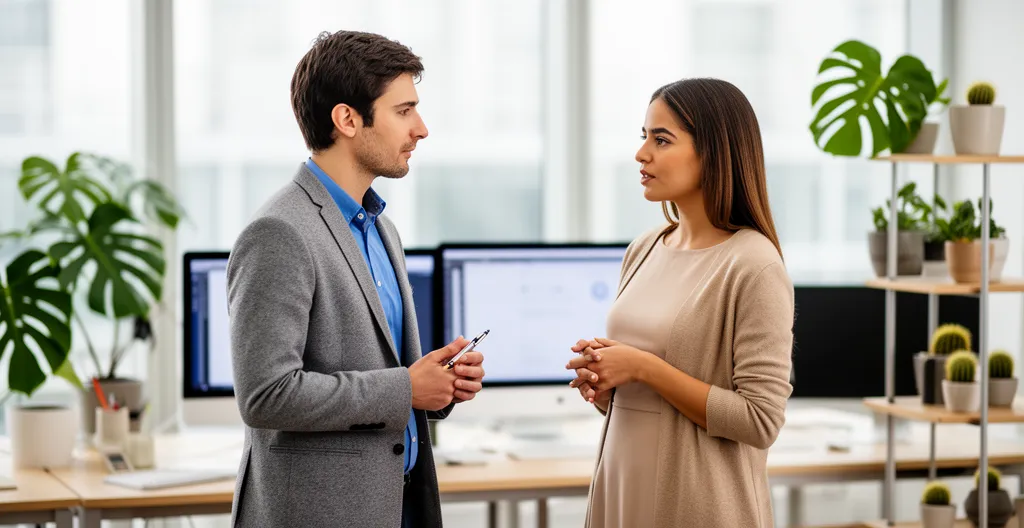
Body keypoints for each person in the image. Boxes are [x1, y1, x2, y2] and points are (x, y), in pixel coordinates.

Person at [227, 30, 485, 528]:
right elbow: (265, 395)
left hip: (395, 504)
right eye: (404, 110)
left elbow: (385, 375)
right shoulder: (279, 232)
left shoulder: (380, 227)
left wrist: (439, 385)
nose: (422, 129)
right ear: (347, 119)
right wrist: (407, 389)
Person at [565, 78, 794, 528]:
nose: (642, 154)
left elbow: (760, 420)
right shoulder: (645, 247)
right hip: (621, 488)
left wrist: (642, 367)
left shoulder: (754, 265)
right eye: (644, 137)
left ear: (714, 151)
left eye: (662, 139)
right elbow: (649, 399)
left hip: (697, 506)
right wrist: (606, 386)